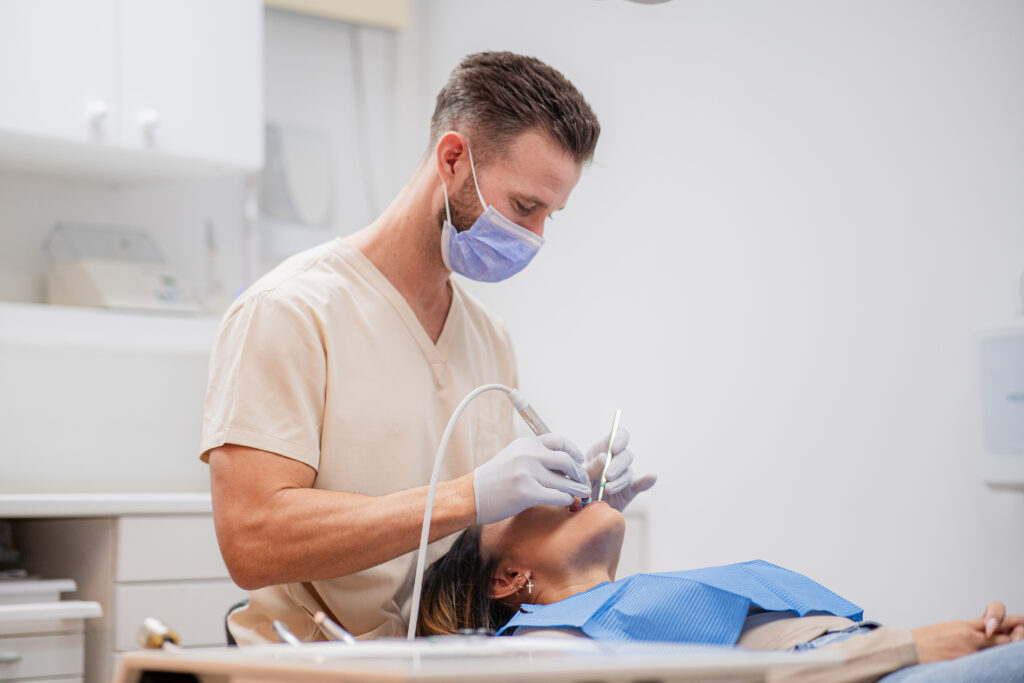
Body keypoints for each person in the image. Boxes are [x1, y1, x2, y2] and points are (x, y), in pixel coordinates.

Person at [200, 51, 656, 645]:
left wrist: (567, 496)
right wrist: (468, 496)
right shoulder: (290, 311)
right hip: (307, 663)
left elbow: (469, 555)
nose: (536, 237)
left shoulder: (489, 338)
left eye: (551, 215)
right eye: (525, 207)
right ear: (453, 159)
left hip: (432, 659)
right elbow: (253, 542)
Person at [417, 500, 1024, 683]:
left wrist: (978, 638)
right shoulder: (544, 644)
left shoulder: (619, 609)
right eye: (522, 500)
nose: (564, 491)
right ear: (507, 578)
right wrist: (909, 648)